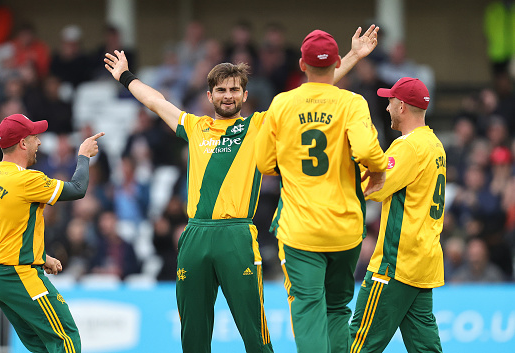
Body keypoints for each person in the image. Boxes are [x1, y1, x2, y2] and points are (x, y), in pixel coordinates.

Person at [105, 24, 380, 353]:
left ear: (245, 95)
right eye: (221, 91)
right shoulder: (194, 126)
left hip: (236, 235)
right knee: (192, 335)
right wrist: (125, 75)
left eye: (234, 90)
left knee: (255, 335)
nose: (227, 96)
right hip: (195, 235)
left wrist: (351, 56)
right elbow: (156, 101)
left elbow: (318, 89)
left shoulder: (258, 125)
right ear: (209, 96)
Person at [254, 29, 388, 353]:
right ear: (339, 62)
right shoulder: (352, 103)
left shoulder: (282, 103)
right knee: (338, 307)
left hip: (300, 230)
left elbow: (262, 162)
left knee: (308, 307)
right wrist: (377, 170)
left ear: (301, 63)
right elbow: (369, 152)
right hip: (344, 228)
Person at [0, 113, 104, 353]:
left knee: (43, 347)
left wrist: (42, 257)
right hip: (19, 274)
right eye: (35, 137)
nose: (40, 143)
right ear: (23, 143)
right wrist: (83, 156)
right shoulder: (24, 180)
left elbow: (9, 231)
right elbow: (77, 189)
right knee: (65, 337)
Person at [348, 77, 445, 352]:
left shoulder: (408, 147)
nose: (387, 106)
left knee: (358, 343)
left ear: (402, 106)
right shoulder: (435, 144)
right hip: (422, 262)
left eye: (390, 101)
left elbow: (373, 187)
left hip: (395, 264)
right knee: (425, 347)